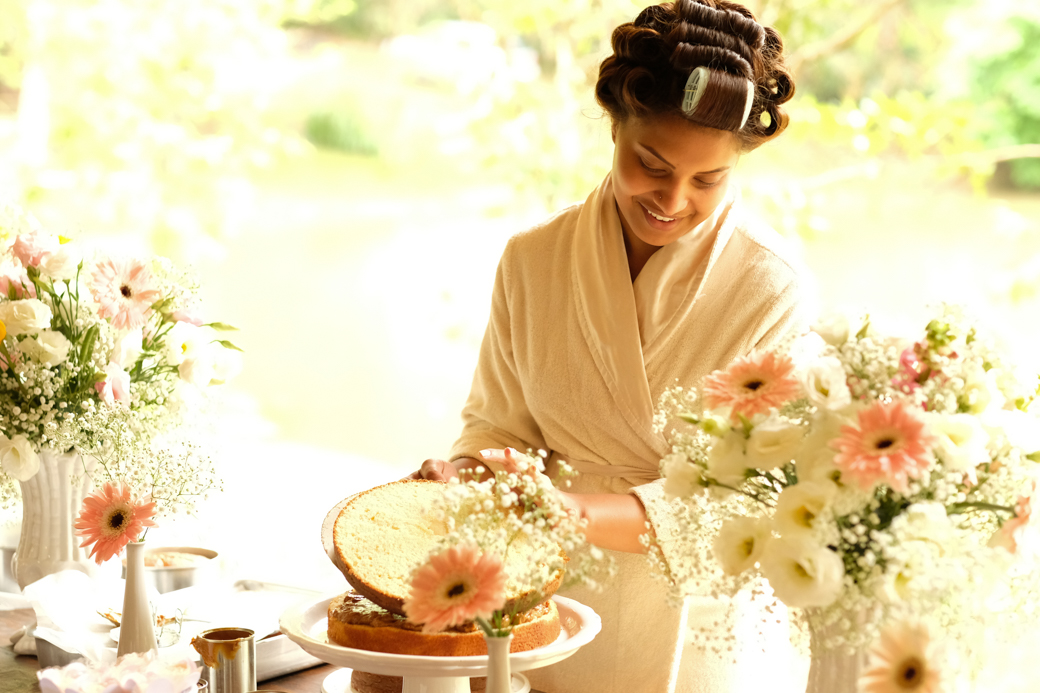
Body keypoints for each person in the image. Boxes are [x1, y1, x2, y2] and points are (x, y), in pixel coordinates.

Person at [415, 1, 810, 691]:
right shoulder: (532, 259)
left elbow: (747, 504)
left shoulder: (769, 286)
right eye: (650, 162)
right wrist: (471, 476)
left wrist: (563, 509)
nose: (673, 197)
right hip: (548, 602)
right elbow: (498, 425)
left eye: (707, 180)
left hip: (698, 622)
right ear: (615, 126)